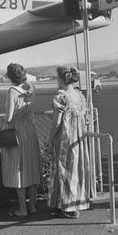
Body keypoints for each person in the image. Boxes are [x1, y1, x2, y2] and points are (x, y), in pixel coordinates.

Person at [47, 66, 90, 219]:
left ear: (61, 79)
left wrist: (50, 139)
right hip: (78, 136)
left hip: (65, 137)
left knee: (64, 169)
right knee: (76, 169)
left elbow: (57, 123)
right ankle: (73, 202)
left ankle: (68, 206)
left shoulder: (61, 97)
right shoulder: (79, 95)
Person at [1, 63, 41, 218]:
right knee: (30, 165)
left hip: (16, 130)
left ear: (11, 77)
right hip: (29, 129)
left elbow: (9, 117)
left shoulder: (12, 91)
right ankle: (32, 206)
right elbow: (28, 85)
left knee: (18, 168)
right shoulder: (31, 89)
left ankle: (22, 209)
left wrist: (4, 118)